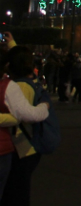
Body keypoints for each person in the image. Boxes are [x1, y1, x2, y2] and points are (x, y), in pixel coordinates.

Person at [1, 35, 52, 204]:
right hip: (28, 146)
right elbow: (21, 59)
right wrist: (12, 45)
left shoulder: (17, 86)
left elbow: (22, 115)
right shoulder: (31, 80)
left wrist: (43, 108)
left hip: (22, 146)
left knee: (15, 192)